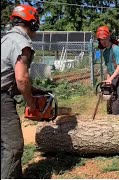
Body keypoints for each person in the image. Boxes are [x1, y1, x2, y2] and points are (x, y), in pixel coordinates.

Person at [1, 4, 41, 178]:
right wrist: (31, 103)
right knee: (13, 146)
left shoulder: (4, 39)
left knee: (3, 145)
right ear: (33, 24)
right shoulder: (22, 43)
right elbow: (21, 79)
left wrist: (34, 90)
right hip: (2, 98)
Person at [96, 25, 119, 115]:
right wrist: (108, 80)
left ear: (108, 37)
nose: (103, 41)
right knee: (109, 109)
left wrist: (110, 79)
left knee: (116, 110)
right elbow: (109, 69)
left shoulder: (116, 49)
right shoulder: (105, 52)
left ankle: (118, 127)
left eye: (104, 39)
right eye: (101, 39)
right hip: (112, 80)